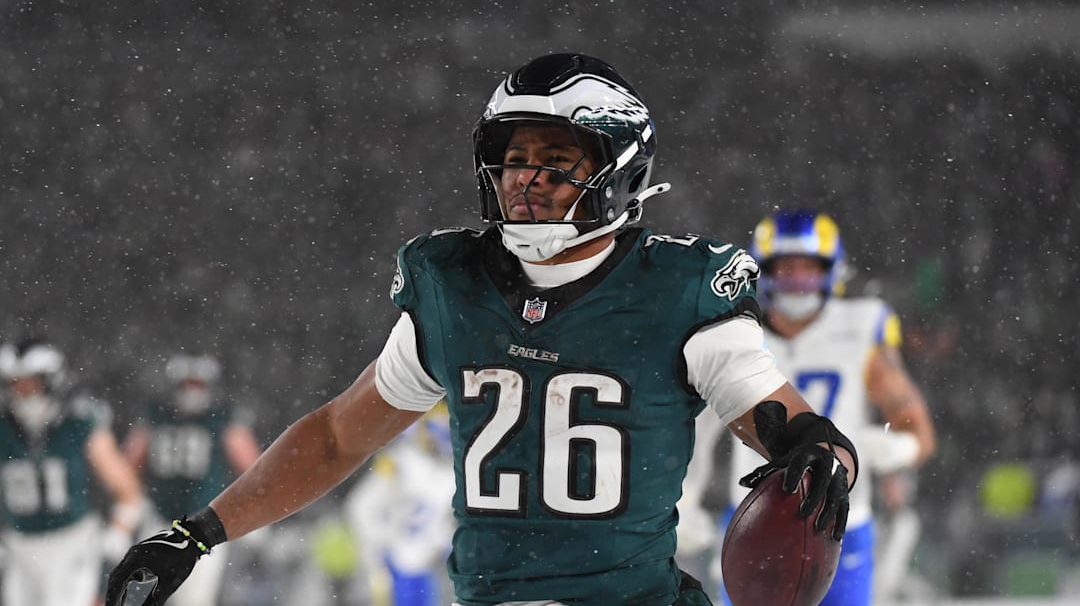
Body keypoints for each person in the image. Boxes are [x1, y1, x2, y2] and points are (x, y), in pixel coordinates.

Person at [105, 53, 859, 606]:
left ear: (618, 169)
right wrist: (194, 534)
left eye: (556, 161)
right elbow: (339, 437)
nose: (525, 180)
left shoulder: (679, 288)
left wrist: (827, 455)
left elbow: (790, 427)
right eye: (514, 160)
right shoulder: (453, 283)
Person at [695, 209, 936, 606]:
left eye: (807, 269)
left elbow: (920, 430)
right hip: (756, 516)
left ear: (831, 271)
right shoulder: (737, 330)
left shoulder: (860, 326)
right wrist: (687, 494)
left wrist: (901, 449)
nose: (797, 281)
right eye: (786, 269)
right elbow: (703, 422)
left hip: (842, 518)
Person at [0, 337, 144, 606]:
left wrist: (119, 530)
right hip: (18, 547)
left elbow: (127, 489)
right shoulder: (4, 427)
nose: (24, 393)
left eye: (31, 384)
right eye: (17, 385)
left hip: (71, 545)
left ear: (51, 381)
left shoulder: (79, 422)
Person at [122, 352, 261, 606]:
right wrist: (133, 503)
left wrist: (250, 511)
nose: (191, 391)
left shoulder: (223, 420)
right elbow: (128, 466)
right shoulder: (155, 417)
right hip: (159, 519)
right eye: (186, 384)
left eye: (197, 385)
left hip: (204, 526)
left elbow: (252, 469)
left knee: (195, 600)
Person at [343, 405, 455, 606]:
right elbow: (362, 506)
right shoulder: (400, 462)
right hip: (394, 560)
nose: (443, 436)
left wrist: (445, 540)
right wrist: (378, 541)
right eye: (438, 428)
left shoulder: (450, 472)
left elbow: (444, 518)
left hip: (427, 562)